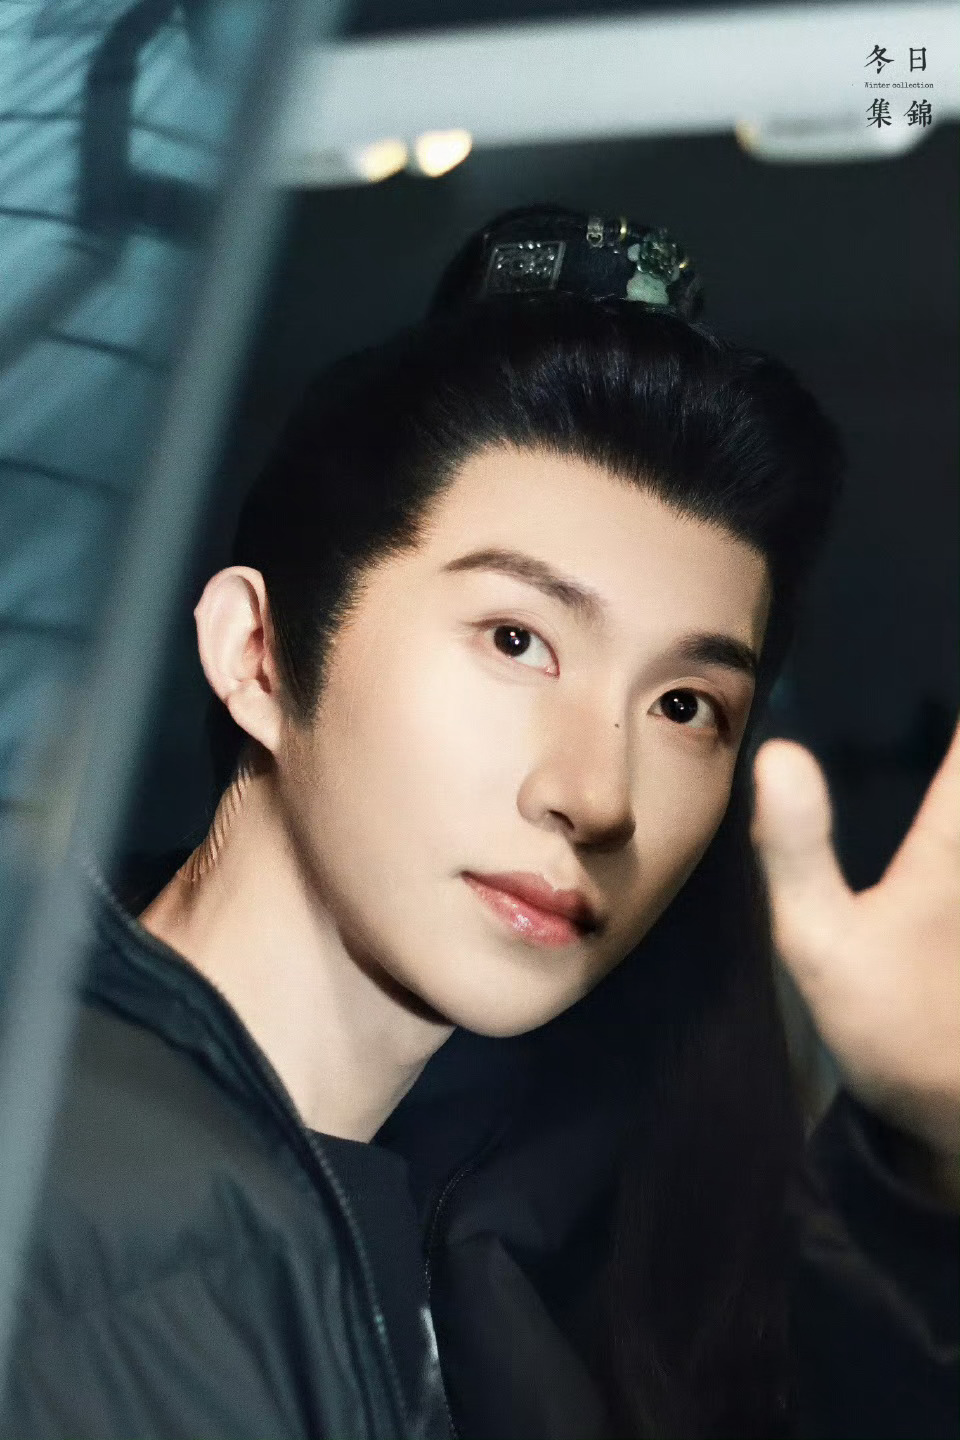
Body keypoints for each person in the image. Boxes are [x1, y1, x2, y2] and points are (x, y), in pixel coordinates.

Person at [1, 207, 956, 1440]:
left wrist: (924, 1171)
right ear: (257, 653)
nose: (596, 794)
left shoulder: (501, 1253)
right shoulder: (71, 1218)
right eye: (516, 640)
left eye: (683, 706)